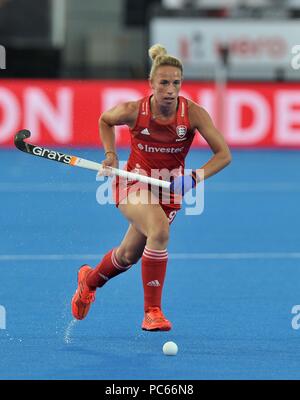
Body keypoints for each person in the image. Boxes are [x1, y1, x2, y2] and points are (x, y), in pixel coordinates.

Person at [71, 44, 232, 331]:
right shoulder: (134, 111)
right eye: (164, 83)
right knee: (159, 230)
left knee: (129, 255)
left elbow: (224, 155)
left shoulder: (193, 114)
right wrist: (110, 155)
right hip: (133, 180)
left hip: (169, 189)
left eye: (176, 83)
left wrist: (194, 177)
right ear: (151, 84)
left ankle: (89, 281)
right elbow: (105, 121)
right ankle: (152, 312)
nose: (170, 90)